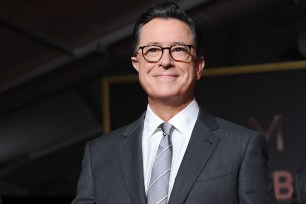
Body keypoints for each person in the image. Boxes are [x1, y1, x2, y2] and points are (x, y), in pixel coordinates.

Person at [72, 2, 276, 204]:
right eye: (152, 50)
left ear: (198, 66)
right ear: (137, 64)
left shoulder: (241, 146)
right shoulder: (99, 155)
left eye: (178, 49)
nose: (165, 61)